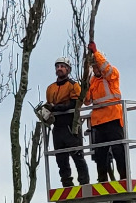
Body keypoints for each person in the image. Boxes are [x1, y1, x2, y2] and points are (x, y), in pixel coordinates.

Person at [84, 42, 127, 185]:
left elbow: (106, 68)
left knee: (118, 151)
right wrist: (83, 85)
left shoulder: (112, 74)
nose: (96, 68)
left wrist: (95, 53)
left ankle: (124, 178)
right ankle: (102, 180)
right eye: (93, 65)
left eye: (96, 64)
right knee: (99, 154)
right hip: (98, 121)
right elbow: (87, 101)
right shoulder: (92, 81)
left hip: (113, 118)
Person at [41, 59, 89, 188]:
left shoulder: (73, 86)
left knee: (77, 155)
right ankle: (66, 183)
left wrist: (56, 108)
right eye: (57, 66)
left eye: (62, 66)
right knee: (60, 158)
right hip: (57, 126)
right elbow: (49, 104)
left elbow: (74, 104)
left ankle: (84, 182)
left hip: (70, 124)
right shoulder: (50, 88)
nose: (59, 68)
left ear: (68, 69)